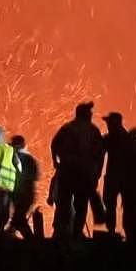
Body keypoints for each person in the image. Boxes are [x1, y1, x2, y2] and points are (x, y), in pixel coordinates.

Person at [50, 102, 104, 238]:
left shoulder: (67, 128)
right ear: (85, 114)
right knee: (81, 204)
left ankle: (62, 232)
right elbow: (100, 154)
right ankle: (76, 232)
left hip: (66, 172)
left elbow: (54, 144)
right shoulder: (93, 131)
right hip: (83, 174)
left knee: (64, 203)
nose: (92, 114)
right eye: (89, 112)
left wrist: (55, 162)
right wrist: (97, 173)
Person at [101, 112, 130, 235]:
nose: (107, 125)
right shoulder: (128, 138)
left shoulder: (109, 138)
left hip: (113, 176)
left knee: (109, 203)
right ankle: (128, 231)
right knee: (128, 205)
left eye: (108, 123)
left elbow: (98, 154)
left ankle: (111, 231)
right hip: (126, 177)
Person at [8, 134, 39, 238]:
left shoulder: (15, 159)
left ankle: (32, 242)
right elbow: (35, 176)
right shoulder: (30, 159)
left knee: (19, 219)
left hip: (21, 195)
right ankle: (11, 234)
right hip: (27, 195)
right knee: (18, 219)